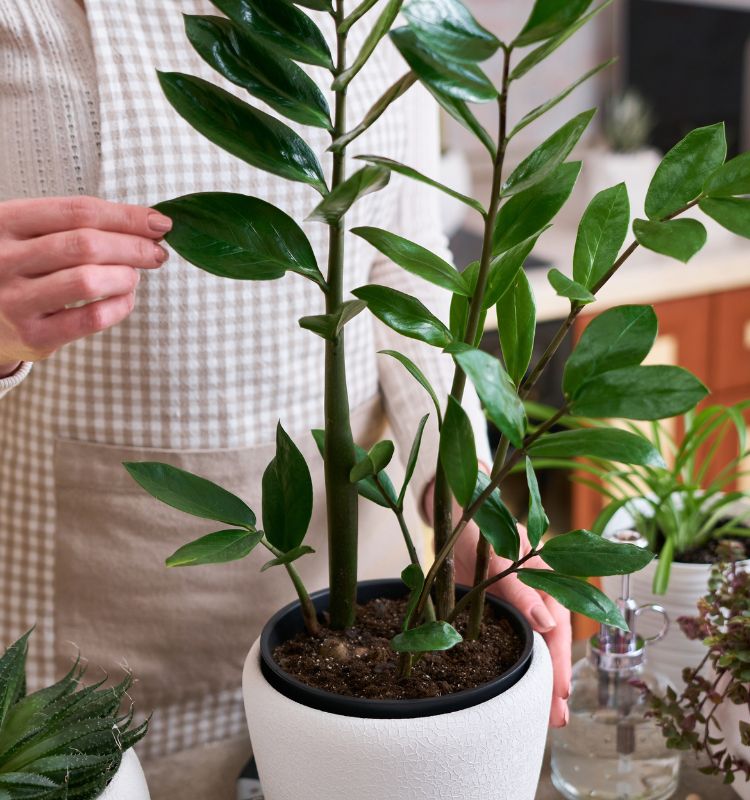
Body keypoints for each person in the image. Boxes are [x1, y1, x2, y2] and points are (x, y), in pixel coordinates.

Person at [0, 1, 571, 797]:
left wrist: (462, 497)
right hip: (93, 638)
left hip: (360, 640)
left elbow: (402, 274)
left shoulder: (386, 15)